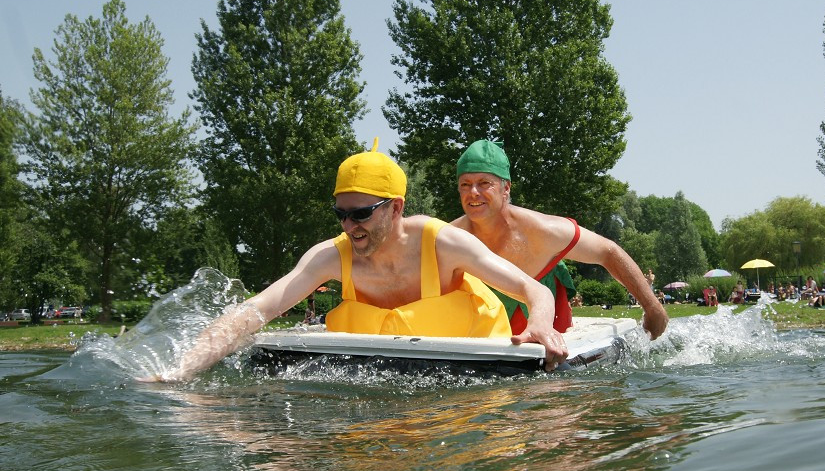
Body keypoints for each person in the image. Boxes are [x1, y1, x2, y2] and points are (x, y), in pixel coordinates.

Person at [146, 140, 567, 381]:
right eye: (341, 214)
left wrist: (540, 326)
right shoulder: (331, 256)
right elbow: (258, 309)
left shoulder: (444, 243)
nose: (350, 225)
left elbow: (531, 290)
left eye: (362, 213)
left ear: (396, 208)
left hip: (473, 369)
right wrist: (180, 370)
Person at [451, 140, 667, 340]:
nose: (473, 192)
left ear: (505, 188)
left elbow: (607, 252)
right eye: (465, 185)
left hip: (548, 313)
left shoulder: (543, 230)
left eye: (484, 183)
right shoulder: (449, 238)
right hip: (481, 318)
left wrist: (652, 307)